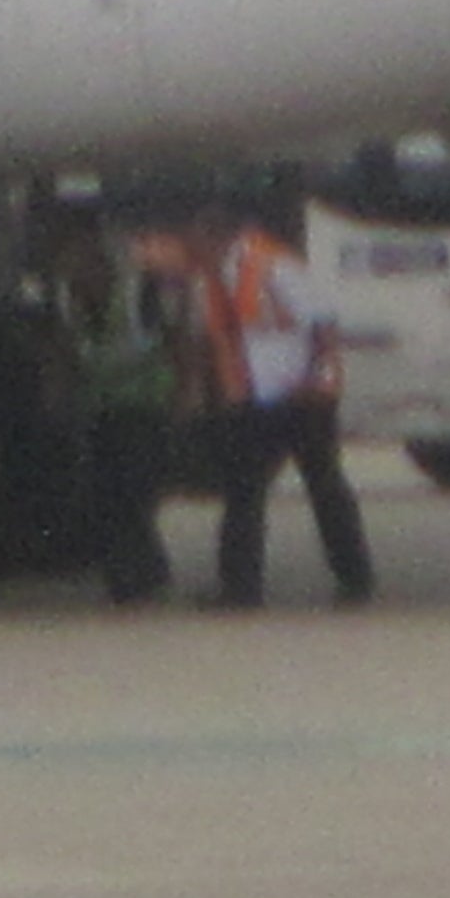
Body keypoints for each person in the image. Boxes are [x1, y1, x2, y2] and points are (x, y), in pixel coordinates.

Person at [170, 188, 372, 609]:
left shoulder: (274, 265)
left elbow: (322, 323)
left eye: (196, 240)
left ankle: (355, 577)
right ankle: (239, 587)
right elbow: (210, 338)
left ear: (217, 237)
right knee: (244, 490)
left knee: (323, 485)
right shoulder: (211, 277)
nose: (190, 250)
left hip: (304, 395)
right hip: (255, 396)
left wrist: (313, 377)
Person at [49, 219, 185, 604]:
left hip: (145, 407)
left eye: (78, 265)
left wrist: (183, 396)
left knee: (133, 493)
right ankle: (131, 573)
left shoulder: (140, 294)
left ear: (101, 264)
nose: (72, 274)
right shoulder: (70, 299)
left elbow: (177, 342)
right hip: (103, 409)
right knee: (105, 495)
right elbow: (67, 348)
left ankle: (141, 573)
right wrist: (59, 394)